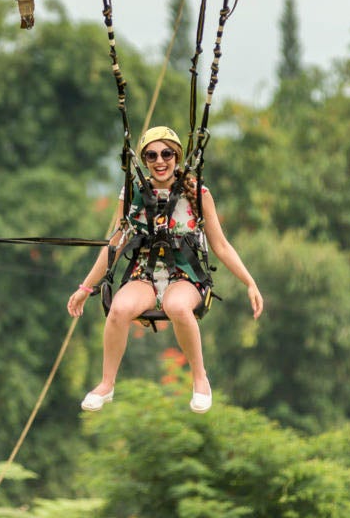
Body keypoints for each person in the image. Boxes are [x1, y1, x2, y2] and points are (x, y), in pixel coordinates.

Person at [67, 126, 263, 414]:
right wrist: (85, 288)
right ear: (145, 160)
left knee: (177, 306)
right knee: (119, 308)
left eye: (167, 154)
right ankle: (107, 384)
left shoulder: (197, 193)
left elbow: (220, 245)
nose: (160, 161)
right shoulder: (133, 193)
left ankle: (200, 379)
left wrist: (250, 282)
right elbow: (115, 245)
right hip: (144, 275)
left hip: (184, 275)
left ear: (177, 156)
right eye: (152, 155)